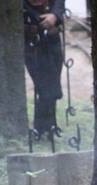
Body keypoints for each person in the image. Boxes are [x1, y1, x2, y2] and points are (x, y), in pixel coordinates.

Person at [24, 0, 66, 136]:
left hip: (52, 36)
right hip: (30, 38)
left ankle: (48, 126)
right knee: (43, 84)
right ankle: (42, 127)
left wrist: (55, 15)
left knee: (53, 78)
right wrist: (36, 16)